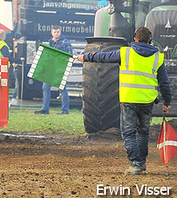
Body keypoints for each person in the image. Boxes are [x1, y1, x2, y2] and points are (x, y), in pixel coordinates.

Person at [77, 27, 171, 175]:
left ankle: (135, 164)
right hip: (147, 101)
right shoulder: (158, 57)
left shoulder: (125, 53)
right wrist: (167, 102)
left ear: (135, 39)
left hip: (129, 99)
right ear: (150, 40)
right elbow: (164, 83)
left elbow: (103, 57)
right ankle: (141, 162)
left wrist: (85, 57)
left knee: (128, 133)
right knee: (143, 132)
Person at [34, 26, 71, 115]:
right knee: (45, 87)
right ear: (52, 33)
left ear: (60, 32)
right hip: (51, 68)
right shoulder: (51, 41)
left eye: (58, 32)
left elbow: (70, 55)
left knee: (62, 89)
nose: (56, 33)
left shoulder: (65, 42)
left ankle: (65, 110)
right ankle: (45, 109)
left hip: (60, 68)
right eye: (55, 32)